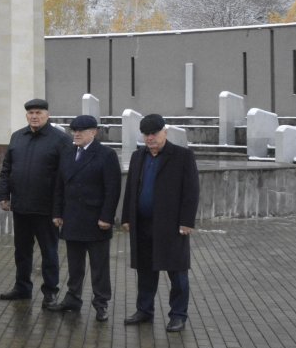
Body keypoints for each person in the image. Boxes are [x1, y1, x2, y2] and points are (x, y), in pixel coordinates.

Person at [122, 114, 199, 332]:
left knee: (177, 272)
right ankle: (144, 311)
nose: (150, 138)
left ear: (165, 132)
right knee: (145, 271)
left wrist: (186, 221)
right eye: (146, 134)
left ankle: (178, 315)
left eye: (154, 133)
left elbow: (191, 191)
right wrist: (127, 217)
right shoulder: (139, 157)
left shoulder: (182, 156)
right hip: (143, 224)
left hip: (171, 225)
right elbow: (131, 189)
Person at [48, 115, 121, 321]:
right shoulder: (68, 152)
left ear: (93, 132)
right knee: (74, 264)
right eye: (74, 130)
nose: (76, 134)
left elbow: (112, 189)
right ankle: (73, 298)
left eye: (81, 131)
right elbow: (60, 185)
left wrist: (106, 216)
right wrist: (57, 212)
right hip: (72, 217)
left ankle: (101, 302)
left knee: (99, 266)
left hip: (96, 219)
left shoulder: (106, 155)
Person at [0, 98, 68, 308]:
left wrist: (60, 208)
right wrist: (4, 195)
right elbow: (6, 169)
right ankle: (22, 288)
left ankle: (50, 292)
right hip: (21, 207)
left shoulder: (60, 140)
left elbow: (64, 176)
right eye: (31, 113)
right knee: (22, 251)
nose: (34, 116)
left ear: (47, 115)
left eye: (39, 113)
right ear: (26, 115)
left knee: (49, 252)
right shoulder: (17, 137)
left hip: (46, 209)